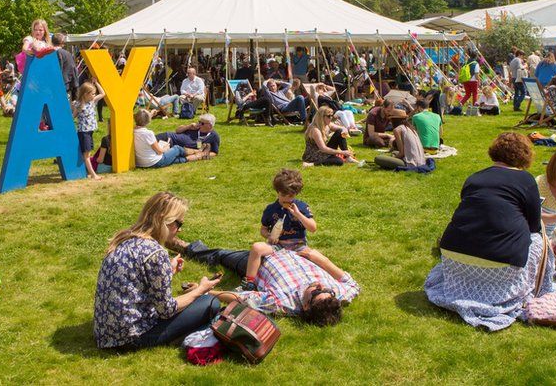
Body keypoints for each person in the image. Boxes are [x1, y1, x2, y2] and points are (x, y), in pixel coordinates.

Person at [424, 132, 553, 331]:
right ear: (524, 156)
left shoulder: (474, 178)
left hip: (453, 258)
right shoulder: (525, 180)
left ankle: (471, 287)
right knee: (539, 239)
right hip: (500, 267)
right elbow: (534, 226)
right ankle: (532, 286)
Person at [93, 192, 222, 349]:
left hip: (105, 333)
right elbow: (166, 310)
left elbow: (137, 281)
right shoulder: (155, 253)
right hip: (131, 338)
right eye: (178, 223)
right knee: (210, 303)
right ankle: (181, 338)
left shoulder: (124, 238)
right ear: (163, 219)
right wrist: (201, 290)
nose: (179, 230)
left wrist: (167, 271)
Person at [171, 237, 360, 326]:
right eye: (326, 289)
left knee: (221, 255)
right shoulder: (339, 294)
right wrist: (317, 257)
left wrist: (204, 291)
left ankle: (185, 246)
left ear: (306, 307)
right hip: (290, 249)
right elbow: (352, 284)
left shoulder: (282, 303)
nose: (319, 286)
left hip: (258, 262)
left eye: (316, 293)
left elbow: (242, 298)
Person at [238, 169, 341, 289]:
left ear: (296, 194)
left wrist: (298, 214)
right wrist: (269, 236)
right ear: (277, 192)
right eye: (283, 195)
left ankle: (337, 279)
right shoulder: (271, 209)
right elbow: (263, 229)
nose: (286, 199)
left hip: (299, 246)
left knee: (317, 257)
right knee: (257, 248)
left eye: (291, 196)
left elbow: (313, 228)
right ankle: (249, 282)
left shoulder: (301, 207)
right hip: (278, 245)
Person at [133, 110, 209, 169]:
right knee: (177, 149)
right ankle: (199, 152)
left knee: (175, 160)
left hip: (141, 163)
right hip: (154, 161)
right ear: (148, 121)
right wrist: (165, 148)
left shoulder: (132, 130)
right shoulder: (148, 133)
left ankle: (199, 155)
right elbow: (159, 152)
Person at [74, 82, 105, 179]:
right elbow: (73, 116)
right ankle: (93, 174)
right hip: (83, 132)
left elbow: (103, 94)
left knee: (88, 153)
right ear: (85, 94)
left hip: (90, 132)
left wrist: (96, 83)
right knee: (86, 154)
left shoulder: (92, 102)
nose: (94, 95)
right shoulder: (79, 104)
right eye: (92, 93)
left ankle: (86, 171)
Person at [52, 33, 77, 101]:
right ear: (62, 43)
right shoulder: (67, 54)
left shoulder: (49, 53)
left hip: (53, 86)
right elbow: (73, 70)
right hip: (66, 85)